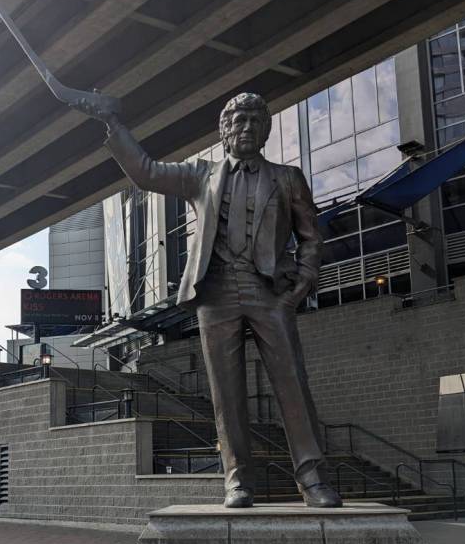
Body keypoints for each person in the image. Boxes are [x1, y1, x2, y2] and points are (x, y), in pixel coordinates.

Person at [71, 90, 341, 509]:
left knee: (293, 384)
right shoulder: (201, 175)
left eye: (255, 121)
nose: (246, 127)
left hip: (270, 293)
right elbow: (146, 172)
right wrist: (113, 123)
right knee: (225, 393)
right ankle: (238, 480)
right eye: (239, 121)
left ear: (265, 132)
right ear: (225, 131)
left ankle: (313, 479)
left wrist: (303, 283)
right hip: (216, 293)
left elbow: (311, 236)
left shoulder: (288, 178)